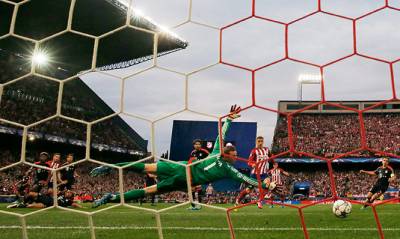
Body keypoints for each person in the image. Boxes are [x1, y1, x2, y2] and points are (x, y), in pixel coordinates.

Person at [90, 105, 274, 208]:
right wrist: (264, 184)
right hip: (183, 175)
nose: (236, 157)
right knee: (148, 179)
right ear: (228, 155)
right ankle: (111, 185)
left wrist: (229, 119)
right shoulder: (227, 168)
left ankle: (110, 186)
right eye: (234, 155)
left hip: (180, 169)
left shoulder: (220, 153)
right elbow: (245, 178)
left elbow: (221, 134)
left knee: (147, 176)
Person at [236, 136, 272, 209]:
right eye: (258, 141)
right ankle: (238, 199)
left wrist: (273, 162)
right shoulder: (254, 151)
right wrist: (253, 164)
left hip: (264, 173)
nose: (260, 143)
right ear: (256, 142)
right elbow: (249, 161)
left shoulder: (267, 150)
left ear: (263, 142)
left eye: (261, 141)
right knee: (249, 189)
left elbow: (271, 158)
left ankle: (259, 201)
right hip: (255, 174)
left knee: (268, 185)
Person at [188, 139, 210, 210]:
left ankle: (199, 205)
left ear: (201, 145)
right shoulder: (193, 152)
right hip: (193, 172)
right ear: (193, 145)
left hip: (201, 171)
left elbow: (210, 159)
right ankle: (193, 205)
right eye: (195, 144)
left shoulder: (204, 152)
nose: (197, 145)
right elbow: (190, 162)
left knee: (198, 188)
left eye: (198, 144)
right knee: (192, 189)